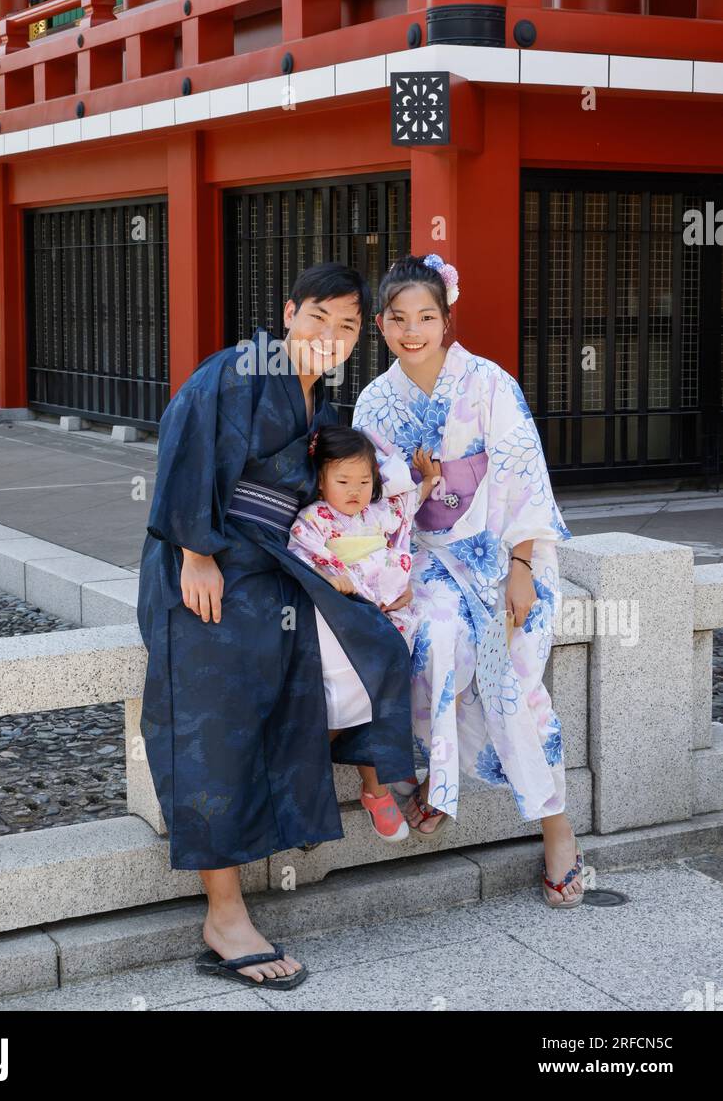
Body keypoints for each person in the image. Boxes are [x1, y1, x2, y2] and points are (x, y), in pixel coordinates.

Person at [136, 263, 417, 991]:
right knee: (215, 722)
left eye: (349, 327)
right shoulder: (236, 372)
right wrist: (195, 553)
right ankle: (224, 915)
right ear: (289, 312)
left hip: (266, 567)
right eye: (319, 318)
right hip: (201, 567)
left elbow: (343, 490)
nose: (331, 336)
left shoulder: (317, 403)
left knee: (367, 645)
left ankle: (373, 777)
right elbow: (184, 441)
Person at [353, 252, 585, 908]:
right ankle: (440, 776)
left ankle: (557, 829)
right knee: (429, 641)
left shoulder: (489, 384)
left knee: (511, 680)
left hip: (500, 547)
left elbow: (522, 479)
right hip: (422, 553)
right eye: (398, 318)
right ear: (380, 324)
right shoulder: (375, 400)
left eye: (426, 316)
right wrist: (413, 490)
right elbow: (364, 501)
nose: (413, 330)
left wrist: (519, 568)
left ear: (446, 320)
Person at [287, 424, 444, 843]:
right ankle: (311, 790)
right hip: (342, 617)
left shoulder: (379, 512)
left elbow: (408, 508)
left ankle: (372, 789)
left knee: (386, 690)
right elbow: (303, 558)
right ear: (320, 479)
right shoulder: (312, 520)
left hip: (383, 618)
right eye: (342, 481)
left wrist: (428, 479)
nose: (355, 491)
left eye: (363, 481)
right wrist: (329, 574)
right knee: (345, 695)